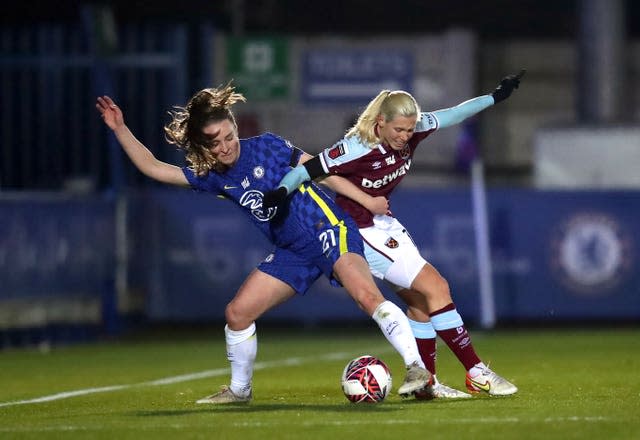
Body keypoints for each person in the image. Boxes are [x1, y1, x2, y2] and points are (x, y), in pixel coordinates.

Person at [95, 83, 431, 404]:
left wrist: (367, 201)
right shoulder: (212, 177)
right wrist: (119, 129)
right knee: (237, 314)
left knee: (366, 296)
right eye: (216, 142)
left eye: (230, 135)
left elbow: (320, 170)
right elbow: (154, 168)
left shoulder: (267, 147)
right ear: (202, 145)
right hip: (292, 251)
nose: (227, 146)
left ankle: (416, 368)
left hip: (327, 229)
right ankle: (240, 390)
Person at [264, 71, 526, 398]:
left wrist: (495, 97)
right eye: (398, 130)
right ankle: (476, 372)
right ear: (381, 123)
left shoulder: (414, 129)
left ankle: (426, 385)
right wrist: (281, 191)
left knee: (419, 303)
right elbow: (308, 169)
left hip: (382, 223)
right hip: (358, 228)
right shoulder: (357, 146)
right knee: (437, 287)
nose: (405, 136)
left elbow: (455, 113)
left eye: (410, 128)